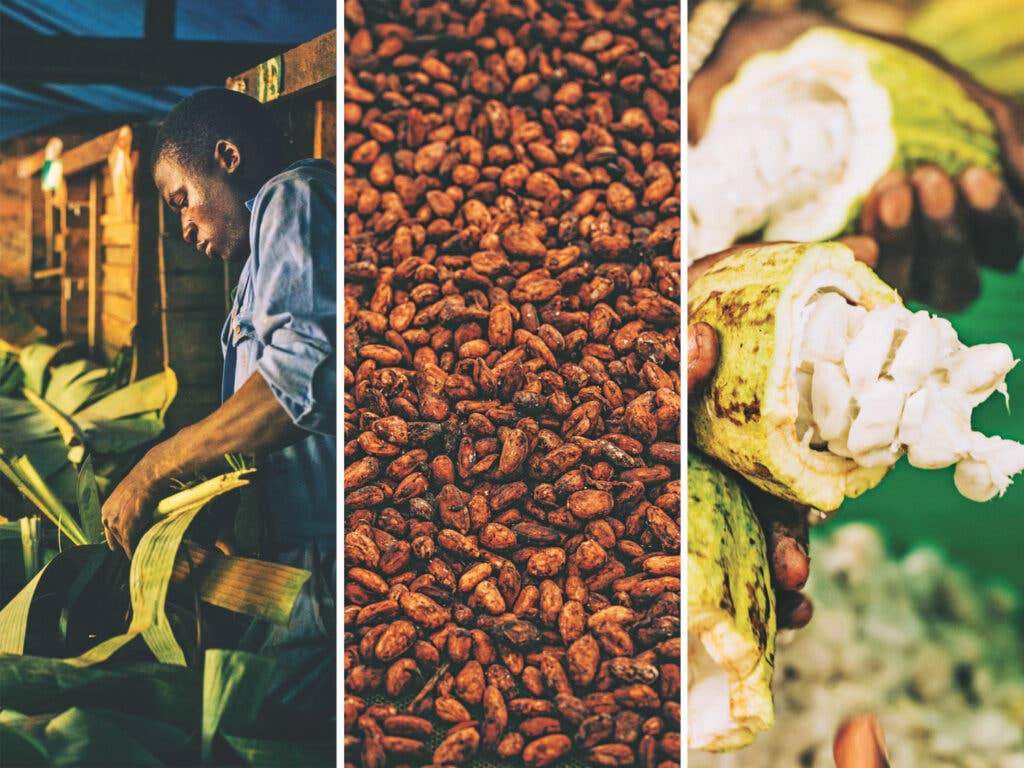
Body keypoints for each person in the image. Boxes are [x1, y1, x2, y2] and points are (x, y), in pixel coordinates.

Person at [99, 88, 337, 722]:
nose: (183, 227)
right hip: (292, 558)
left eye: (183, 200)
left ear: (227, 157)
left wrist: (157, 467)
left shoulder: (297, 197)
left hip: (327, 560)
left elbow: (302, 382)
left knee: (248, 725)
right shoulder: (263, 246)